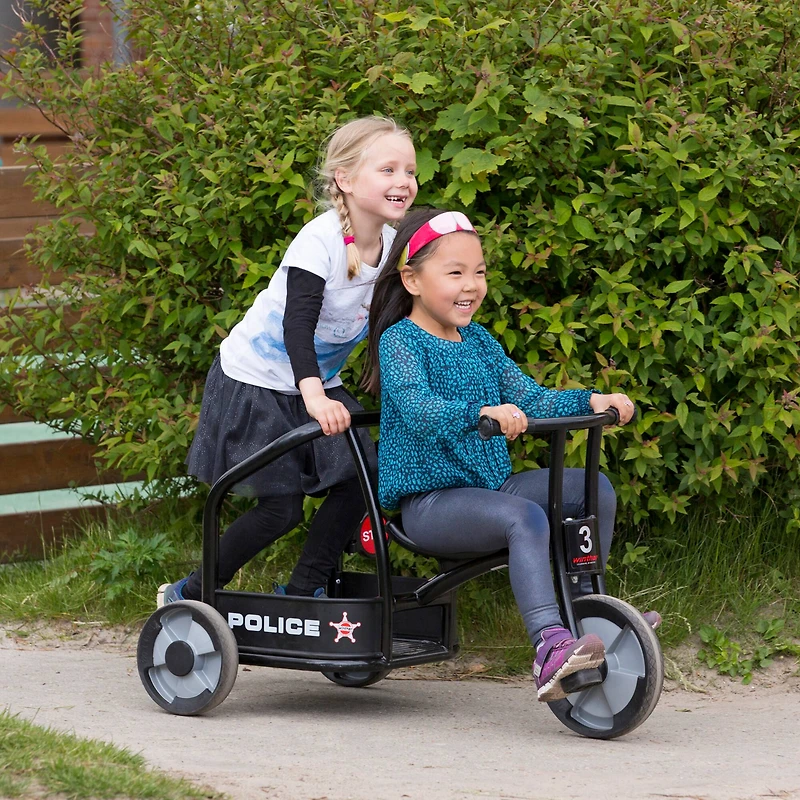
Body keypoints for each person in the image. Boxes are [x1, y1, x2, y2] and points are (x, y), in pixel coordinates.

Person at [364, 207, 657, 702]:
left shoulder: (478, 340)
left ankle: (589, 614)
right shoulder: (401, 343)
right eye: (455, 272)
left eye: (478, 272)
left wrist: (590, 400)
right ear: (412, 279)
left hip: (490, 490)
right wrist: (480, 411)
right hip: (432, 503)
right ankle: (548, 645)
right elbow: (418, 408)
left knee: (592, 489)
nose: (471, 284)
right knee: (524, 518)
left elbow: (532, 397)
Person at [158, 116, 418, 605]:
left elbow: (395, 320)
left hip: (316, 381)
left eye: (409, 171)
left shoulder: (392, 248)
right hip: (256, 381)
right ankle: (190, 593)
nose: (403, 181)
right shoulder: (318, 241)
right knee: (280, 510)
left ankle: (304, 591)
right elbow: (295, 327)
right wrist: (315, 395)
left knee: (363, 478)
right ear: (344, 178)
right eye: (387, 170)